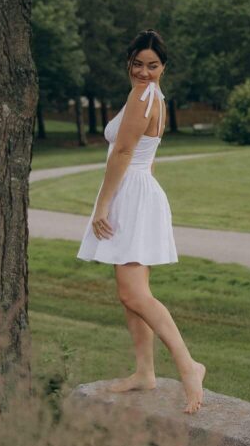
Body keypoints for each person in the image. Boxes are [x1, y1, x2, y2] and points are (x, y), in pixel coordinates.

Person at [76, 29, 205, 414]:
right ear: (129, 63)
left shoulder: (144, 95)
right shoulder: (155, 98)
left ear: (163, 67)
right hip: (138, 191)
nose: (144, 72)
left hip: (130, 195)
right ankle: (145, 371)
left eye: (152, 65)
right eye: (137, 64)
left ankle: (188, 364)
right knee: (133, 293)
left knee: (134, 293)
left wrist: (102, 205)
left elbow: (124, 151)